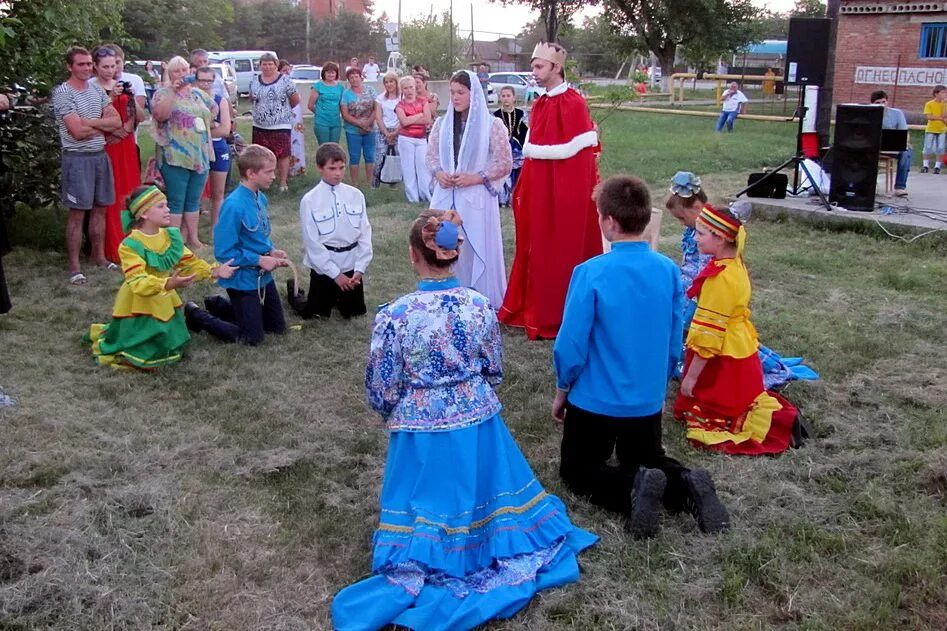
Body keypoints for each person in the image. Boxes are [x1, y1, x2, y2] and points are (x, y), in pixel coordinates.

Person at [330, 209, 597, 631]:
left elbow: (381, 385)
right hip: (478, 420)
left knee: (431, 499)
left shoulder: (396, 315)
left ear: (412, 255)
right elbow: (493, 369)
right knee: (483, 492)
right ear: (454, 255)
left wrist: (393, 410)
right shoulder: (479, 304)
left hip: (421, 429)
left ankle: (440, 545)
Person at [553, 175, 728, 538]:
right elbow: (671, 339)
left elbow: (570, 344)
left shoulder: (589, 273)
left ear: (609, 222)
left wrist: (562, 390)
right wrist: (660, 388)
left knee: (578, 469)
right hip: (645, 400)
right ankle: (686, 484)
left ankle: (629, 490)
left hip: (595, 401)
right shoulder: (668, 271)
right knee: (649, 459)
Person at [665, 172, 818, 392]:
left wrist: (690, 298)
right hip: (692, 289)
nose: (681, 224)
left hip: (701, 294)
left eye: (681, 218)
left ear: (698, 209)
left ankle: (694, 367)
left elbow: (704, 273)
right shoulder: (699, 232)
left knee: (701, 332)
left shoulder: (713, 247)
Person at [672, 205, 802, 455]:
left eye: (700, 234)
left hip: (724, 355)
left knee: (716, 411)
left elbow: (710, 335)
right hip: (740, 345)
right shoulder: (735, 264)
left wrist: (690, 377)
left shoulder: (720, 278)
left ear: (720, 239)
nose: (695, 238)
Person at [499, 42, 602, 340]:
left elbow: (581, 157)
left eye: (538, 66)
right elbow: (534, 153)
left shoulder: (574, 103)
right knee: (537, 243)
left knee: (563, 246)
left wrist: (571, 196)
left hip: (566, 191)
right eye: (533, 66)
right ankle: (537, 306)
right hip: (541, 187)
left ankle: (559, 312)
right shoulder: (540, 103)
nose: (534, 72)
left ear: (556, 67)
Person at [85, 185, 236, 369]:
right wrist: (167, 283)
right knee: (142, 344)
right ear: (144, 214)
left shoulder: (170, 237)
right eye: (161, 206)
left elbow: (189, 263)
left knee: (168, 341)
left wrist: (215, 271)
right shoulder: (130, 244)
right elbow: (137, 280)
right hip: (139, 298)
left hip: (164, 296)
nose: (168, 210)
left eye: (166, 205)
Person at [426, 70, 511, 308]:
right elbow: (431, 156)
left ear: (474, 94)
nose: (455, 97)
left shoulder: (492, 125)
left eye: (461, 92)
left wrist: (476, 177)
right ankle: (446, 291)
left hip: (476, 197)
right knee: (442, 241)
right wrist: (439, 173)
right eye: (452, 92)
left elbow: (504, 162)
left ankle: (477, 296)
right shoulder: (442, 124)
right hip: (446, 194)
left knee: (473, 245)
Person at [199, 145, 290, 346]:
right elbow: (224, 252)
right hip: (242, 279)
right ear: (251, 173)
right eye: (268, 172)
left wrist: (271, 251)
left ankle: (219, 305)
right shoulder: (233, 206)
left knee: (276, 328)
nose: (273, 176)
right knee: (252, 338)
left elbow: (258, 235)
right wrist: (259, 259)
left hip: (262, 278)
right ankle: (198, 316)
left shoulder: (260, 196)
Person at [52, 46, 122, 285]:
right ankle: (74, 267)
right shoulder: (63, 93)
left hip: (100, 155)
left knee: (101, 208)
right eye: (80, 64)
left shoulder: (96, 88)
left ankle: (99, 257)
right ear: (69, 66)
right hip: (77, 158)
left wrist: (91, 122)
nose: (86, 68)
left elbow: (117, 121)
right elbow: (77, 132)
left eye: (89, 63)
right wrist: (102, 125)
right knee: (77, 213)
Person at [290, 143, 372, 319]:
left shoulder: (356, 195)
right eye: (332, 168)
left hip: (351, 264)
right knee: (316, 314)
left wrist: (360, 268)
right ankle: (294, 292)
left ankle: (340, 297)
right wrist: (335, 275)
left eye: (341, 168)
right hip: (325, 267)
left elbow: (364, 233)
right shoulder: (310, 200)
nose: (337, 173)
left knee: (354, 312)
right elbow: (312, 242)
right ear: (320, 168)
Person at [150, 55, 215, 250]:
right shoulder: (163, 92)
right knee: (177, 200)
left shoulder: (197, 93)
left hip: (200, 154)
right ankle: (174, 242)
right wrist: (172, 90)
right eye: (176, 71)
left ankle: (193, 238)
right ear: (169, 74)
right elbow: (160, 115)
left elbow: (213, 110)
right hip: (174, 155)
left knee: (194, 200)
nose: (181, 74)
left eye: (184, 70)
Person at [90, 46, 142, 265]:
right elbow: (91, 117)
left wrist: (130, 104)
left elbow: (140, 116)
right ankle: (111, 247)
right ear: (95, 66)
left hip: (126, 144)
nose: (111, 70)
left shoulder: (124, 85)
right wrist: (111, 98)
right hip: (106, 144)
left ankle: (134, 242)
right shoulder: (91, 87)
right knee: (109, 196)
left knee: (129, 193)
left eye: (114, 65)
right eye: (106, 66)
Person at [249, 52, 299, 191]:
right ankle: (261, 182)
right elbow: (252, 98)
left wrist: (281, 112)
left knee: (283, 154)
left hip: (280, 123)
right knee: (260, 155)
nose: (267, 67)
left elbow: (295, 99)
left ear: (276, 65)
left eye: (270, 64)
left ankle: (283, 182)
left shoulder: (286, 81)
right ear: (260, 65)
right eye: (264, 64)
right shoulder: (254, 80)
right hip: (259, 124)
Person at [195, 66, 232, 227]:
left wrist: (205, 130)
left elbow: (225, 129)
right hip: (196, 149)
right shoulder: (191, 100)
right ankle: (191, 230)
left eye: (208, 81)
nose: (205, 84)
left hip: (218, 148)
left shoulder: (219, 100)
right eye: (201, 80)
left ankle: (217, 229)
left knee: (218, 192)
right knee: (195, 194)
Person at [396, 75, 432, 203]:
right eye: (405, 88)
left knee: (423, 167)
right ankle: (413, 198)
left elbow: (427, 119)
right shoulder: (400, 105)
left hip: (421, 139)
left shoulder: (423, 101)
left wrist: (412, 118)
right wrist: (419, 115)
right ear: (402, 90)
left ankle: (426, 195)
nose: (409, 90)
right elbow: (404, 122)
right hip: (406, 139)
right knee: (408, 169)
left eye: (411, 87)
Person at [340, 67, 378, 187]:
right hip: (353, 130)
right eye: (351, 77)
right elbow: (345, 114)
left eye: (356, 76)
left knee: (370, 155)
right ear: (349, 80)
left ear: (361, 77)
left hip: (370, 129)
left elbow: (376, 109)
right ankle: (354, 184)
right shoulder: (346, 94)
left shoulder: (371, 90)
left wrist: (367, 123)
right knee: (354, 156)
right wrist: (359, 123)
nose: (354, 79)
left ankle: (370, 182)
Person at [870, 90, 911, 196]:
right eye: (878, 103)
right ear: (872, 104)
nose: (881, 105)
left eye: (883, 102)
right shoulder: (868, 113)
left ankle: (900, 187)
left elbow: (903, 132)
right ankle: (868, 184)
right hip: (872, 146)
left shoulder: (897, 113)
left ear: (887, 102)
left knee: (906, 152)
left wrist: (904, 143)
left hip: (892, 146)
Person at [493, 85, 528, 207]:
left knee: (516, 174)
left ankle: (515, 198)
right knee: (503, 174)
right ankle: (503, 199)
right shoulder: (495, 115)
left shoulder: (520, 113)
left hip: (517, 148)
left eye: (508, 96)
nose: (506, 99)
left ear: (514, 97)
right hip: (502, 148)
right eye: (503, 96)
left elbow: (525, 131)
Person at [372, 71, 400, 189]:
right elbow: (378, 117)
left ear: (396, 82)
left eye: (391, 81)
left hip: (398, 130)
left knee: (396, 156)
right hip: (383, 130)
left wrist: (395, 133)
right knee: (380, 156)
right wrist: (387, 133)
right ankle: (375, 182)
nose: (389, 84)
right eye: (387, 82)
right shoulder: (380, 98)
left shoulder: (401, 97)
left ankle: (393, 181)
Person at [279, 59, 306, 177]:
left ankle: (297, 168)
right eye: (284, 71)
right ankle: (283, 170)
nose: (287, 73)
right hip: (283, 115)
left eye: (288, 70)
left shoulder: (291, 82)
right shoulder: (277, 84)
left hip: (295, 115)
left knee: (296, 141)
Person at [308, 62, 345, 145]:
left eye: (333, 72)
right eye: (328, 72)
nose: (330, 74)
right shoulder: (318, 86)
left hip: (336, 122)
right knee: (325, 148)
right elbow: (310, 105)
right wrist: (321, 113)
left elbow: (342, 105)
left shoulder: (340, 87)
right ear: (324, 73)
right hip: (322, 122)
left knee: (334, 147)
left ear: (336, 74)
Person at [921, 84, 946, 174]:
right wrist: (941, 118)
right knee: (927, 147)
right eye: (942, 92)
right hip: (931, 129)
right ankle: (925, 165)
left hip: (942, 129)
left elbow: (945, 116)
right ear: (936, 94)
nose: (945, 94)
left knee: (940, 148)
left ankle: (937, 167)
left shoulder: (945, 104)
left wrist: (944, 106)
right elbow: (929, 116)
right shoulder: (929, 104)